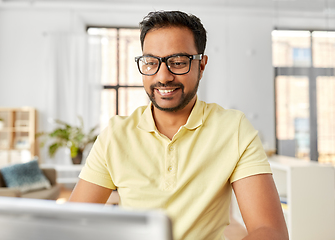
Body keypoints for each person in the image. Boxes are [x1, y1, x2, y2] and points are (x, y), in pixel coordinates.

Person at [69, 10, 289, 240]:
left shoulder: (233, 129)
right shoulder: (115, 135)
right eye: (151, 62)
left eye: (178, 62)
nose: (163, 76)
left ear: (201, 66)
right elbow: (70, 225)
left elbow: (270, 231)